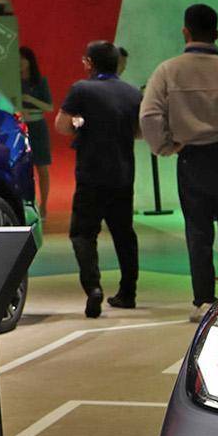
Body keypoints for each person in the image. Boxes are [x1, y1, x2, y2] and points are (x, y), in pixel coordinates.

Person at [141, 3, 218, 318]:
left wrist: (166, 146)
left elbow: (149, 116)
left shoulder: (167, 71)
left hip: (192, 159)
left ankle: (202, 300)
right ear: (217, 33)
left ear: (185, 32)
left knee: (198, 233)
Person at [55, 40, 144, 319]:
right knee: (124, 234)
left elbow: (62, 125)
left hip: (91, 174)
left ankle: (93, 287)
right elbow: (140, 131)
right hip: (123, 174)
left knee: (83, 234)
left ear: (90, 63)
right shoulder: (132, 92)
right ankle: (128, 292)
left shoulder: (81, 89)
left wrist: (80, 124)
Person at [17, 47, 54, 218]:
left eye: (23, 59)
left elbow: (49, 107)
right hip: (20, 126)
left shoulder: (40, 81)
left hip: (38, 126)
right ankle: (24, 204)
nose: (20, 62)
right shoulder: (13, 82)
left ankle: (44, 204)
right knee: (22, 168)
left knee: (42, 167)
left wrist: (30, 99)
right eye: (18, 59)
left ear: (30, 61)